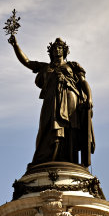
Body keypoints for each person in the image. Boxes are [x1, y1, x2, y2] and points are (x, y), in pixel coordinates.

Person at [8, 35, 95, 167]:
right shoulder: (45, 67)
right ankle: (46, 157)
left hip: (70, 98)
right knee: (46, 127)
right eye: (54, 48)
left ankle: (70, 159)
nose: (57, 50)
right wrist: (15, 45)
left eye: (60, 47)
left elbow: (83, 83)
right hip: (50, 101)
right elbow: (27, 61)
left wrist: (89, 98)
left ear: (64, 50)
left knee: (70, 129)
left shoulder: (73, 66)